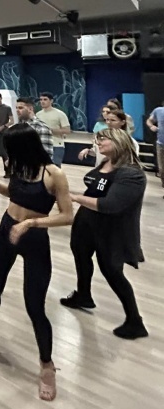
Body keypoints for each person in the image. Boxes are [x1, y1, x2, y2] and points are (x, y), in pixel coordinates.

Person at [0, 123, 73, 401]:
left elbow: (67, 215)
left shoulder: (54, 174)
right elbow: (13, 194)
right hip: (6, 229)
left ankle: (47, 366)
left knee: (34, 306)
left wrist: (31, 223)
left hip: (34, 237)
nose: (7, 155)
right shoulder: (19, 167)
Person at [61, 128, 148, 339]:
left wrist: (75, 197)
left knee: (112, 271)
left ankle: (135, 321)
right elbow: (96, 188)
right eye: (97, 139)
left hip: (110, 229)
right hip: (87, 222)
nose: (98, 143)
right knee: (81, 258)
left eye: (103, 140)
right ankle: (83, 295)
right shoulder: (106, 162)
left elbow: (110, 205)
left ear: (118, 142)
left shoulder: (132, 174)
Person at [36, 93, 70, 167]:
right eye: (41, 100)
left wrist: (48, 130)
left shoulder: (60, 114)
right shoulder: (38, 115)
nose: (42, 101)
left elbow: (67, 130)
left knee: (55, 168)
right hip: (41, 145)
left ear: (51, 101)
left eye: (45, 99)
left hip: (56, 145)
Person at [146, 99, 164, 194]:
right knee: (161, 169)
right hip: (160, 144)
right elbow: (149, 120)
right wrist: (151, 126)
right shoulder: (158, 111)